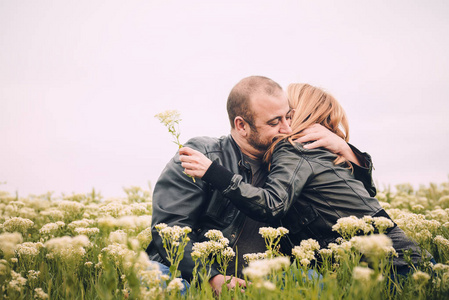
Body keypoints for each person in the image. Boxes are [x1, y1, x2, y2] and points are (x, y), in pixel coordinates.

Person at [146, 77, 376, 294]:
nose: (287, 128)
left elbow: (361, 197)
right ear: (242, 126)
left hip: (258, 281)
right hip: (190, 273)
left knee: (319, 285)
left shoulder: (289, 163)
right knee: (158, 281)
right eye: (275, 122)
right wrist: (211, 277)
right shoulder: (203, 155)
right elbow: (169, 229)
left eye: (288, 117)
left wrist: (347, 151)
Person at [180, 83, 428, 276]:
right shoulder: (315, 151)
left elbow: (271, 203)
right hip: (401, 258)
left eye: (285, 112)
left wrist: (213, 172)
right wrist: (348, 151)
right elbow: (365, 195)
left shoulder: (296, 148)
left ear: (296, 112)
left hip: (390, 265)